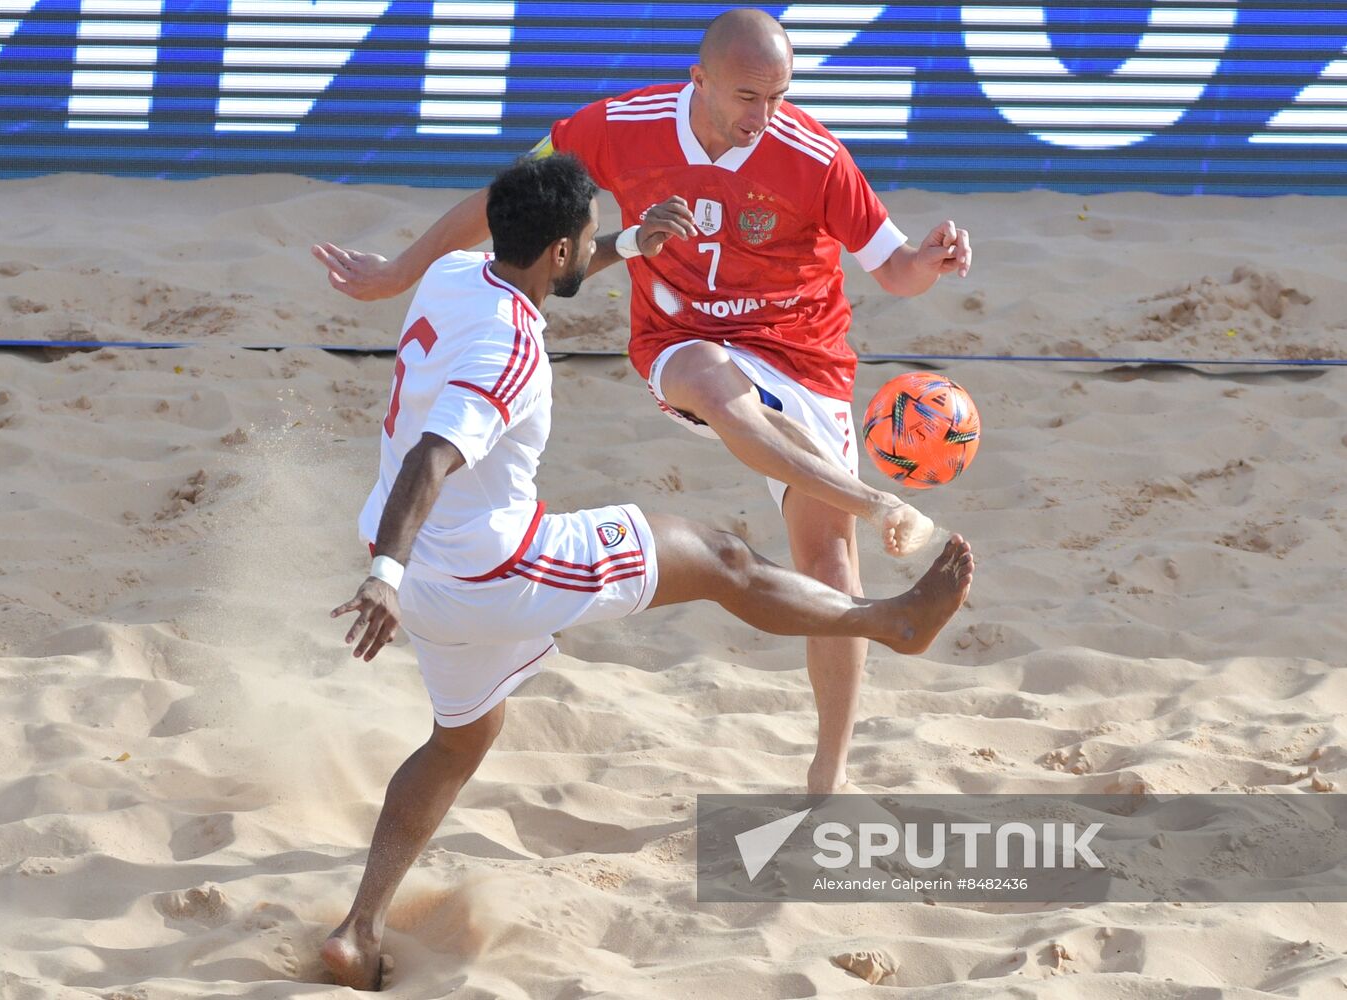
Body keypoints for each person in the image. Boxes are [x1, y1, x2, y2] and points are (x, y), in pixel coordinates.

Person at [321, 152, 974, 990]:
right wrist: (384, 571)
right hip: (488, 564)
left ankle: (357, 929)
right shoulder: (510, 350)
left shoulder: (456, 273)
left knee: (459, 740)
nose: (594, 243)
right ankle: (892, 622)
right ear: (556, 250)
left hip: (430, 583)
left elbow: (557, 268)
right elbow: (433, 456)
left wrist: (629, 242)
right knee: (719, 558)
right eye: (588, 235)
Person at [313, 8, 974, 795]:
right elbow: (511, 200)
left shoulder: (814, 154)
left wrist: (930, 260)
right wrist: (395, 273)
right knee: (711, 386)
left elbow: (892, 269)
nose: (763, 117)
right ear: (697, 80)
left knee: (829, 565)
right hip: (682, 339)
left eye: (779, 96)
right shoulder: (618, 126)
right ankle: (873, 500)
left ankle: (825, 777)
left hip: (804, 356)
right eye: (746, 96)